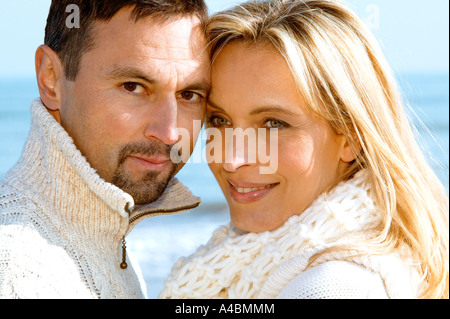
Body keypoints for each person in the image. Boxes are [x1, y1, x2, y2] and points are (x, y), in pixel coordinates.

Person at [160, 0, 449, 299]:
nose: (231, 159)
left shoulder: (329, 287)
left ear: (351, 136)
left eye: (273, 124)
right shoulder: (273, 264)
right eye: (219, 120)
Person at [0, 0, 210, 298]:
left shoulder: (104, 237)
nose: (169, 133)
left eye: (189, 94)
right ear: (51, 79)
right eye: (132, 87)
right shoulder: (19, 275)